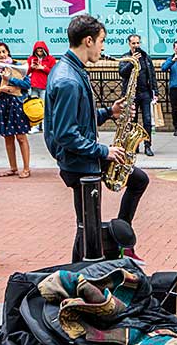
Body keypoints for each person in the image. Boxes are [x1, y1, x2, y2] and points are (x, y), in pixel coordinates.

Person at [46, 14, 148, 263]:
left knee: (138, 181)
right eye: (102, 41)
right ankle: (77, 272)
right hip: (79, 163)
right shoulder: (68, 80)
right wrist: (104, 151)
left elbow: (81, 118)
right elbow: (66, 134)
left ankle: (120, 237)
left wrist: (109, 112)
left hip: (82, 158)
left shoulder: (73, 70)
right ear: (88, 40)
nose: (103, 47)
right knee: (86, 229)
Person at [0, 42, 31, 179]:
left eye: (4, 51)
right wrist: (0, 89)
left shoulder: (16, 66)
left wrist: (10, 79)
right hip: (2, 105)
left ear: (8, 52)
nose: (2, 55)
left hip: (16, 104)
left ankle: (26, 168)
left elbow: (27, 84)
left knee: (21, 137)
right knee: (8, 138)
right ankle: (13, 167)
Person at [118, 33, 157, 157]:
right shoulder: (125, 57)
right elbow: (122, 73)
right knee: (132, 121)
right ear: (129, 44)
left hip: (145, 93)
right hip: (131, 95)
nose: (136, 45)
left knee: (147, 120)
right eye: (133, 43)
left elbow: (152, 75)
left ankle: (147, 145)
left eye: (138, 43)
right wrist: (132, 62)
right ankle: (134, 146)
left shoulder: (145, 57)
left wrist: (155, 92)